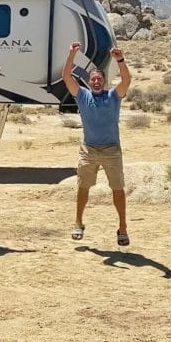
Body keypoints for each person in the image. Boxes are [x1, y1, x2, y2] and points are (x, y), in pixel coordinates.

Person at [62, 42, 132, 246]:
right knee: (83, 187)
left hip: (111, 151)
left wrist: (120, 60)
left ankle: (123, 227)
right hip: (88, 150)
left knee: (117, 189)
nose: (95, 82)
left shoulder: (113, 96)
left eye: (99, 79)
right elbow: (66, 77)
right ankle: (78, 222)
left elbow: (127, 80)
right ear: (89, 82)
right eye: (92, 79)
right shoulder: (82, 96)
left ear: (104, 81)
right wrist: (71, 54)